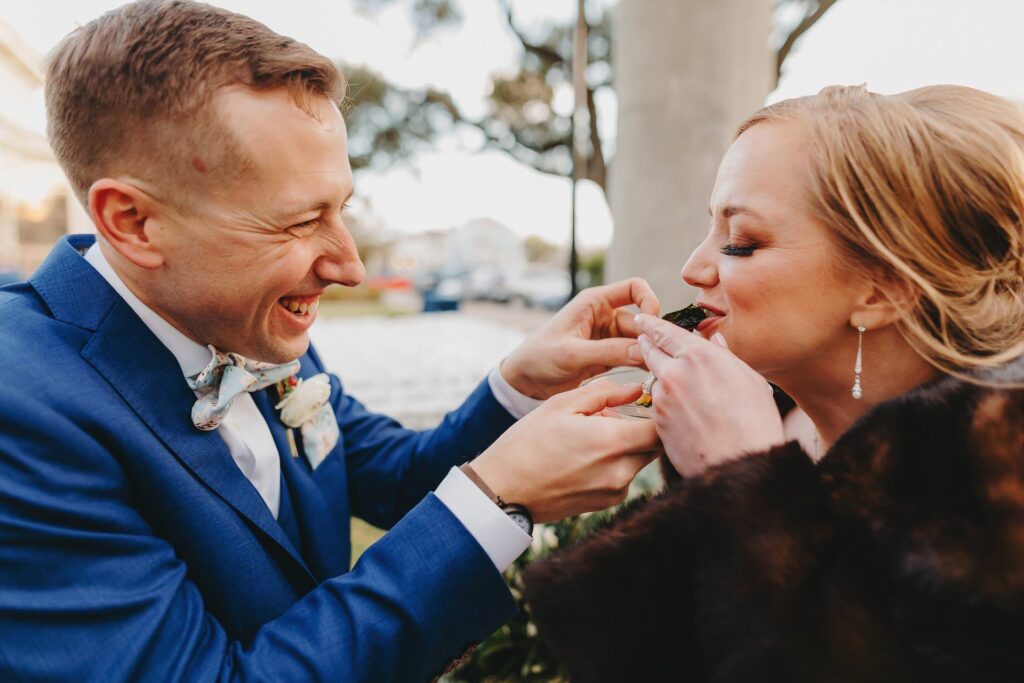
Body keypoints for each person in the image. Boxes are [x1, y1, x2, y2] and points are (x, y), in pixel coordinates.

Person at [0, 2, 662, 681]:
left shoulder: (247, 320)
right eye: (299, 221)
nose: (350, 266)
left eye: (339, 207)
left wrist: (520, 384)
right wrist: (488, 501)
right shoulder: (19, 414)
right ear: (134, 221)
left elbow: (396, 477)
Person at [522, 84, 1024, 682]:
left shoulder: (992, 485)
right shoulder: (738, 413)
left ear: (882, 288)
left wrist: (743, 480)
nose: (693, 268)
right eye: (711, 229)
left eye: (741, 242)